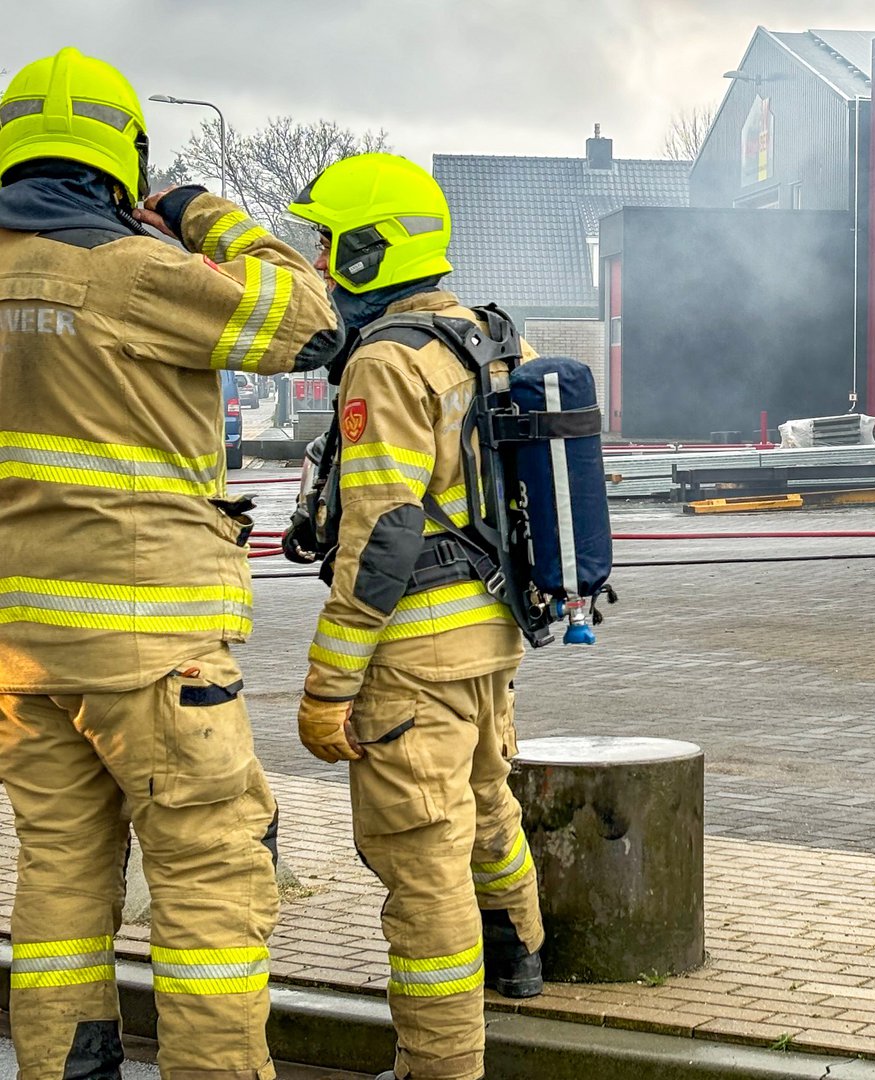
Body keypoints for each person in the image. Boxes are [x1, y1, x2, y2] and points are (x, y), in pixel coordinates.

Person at [0, 48, 343, 1080]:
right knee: (211, 890)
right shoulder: (141, 274)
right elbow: (310, 319)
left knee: (58, 876)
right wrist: (201, 211)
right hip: (151, 648)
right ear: (120, 161)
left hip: (19, 653)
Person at [285, 152, 544, 1080]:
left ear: (367, 249)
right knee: (483, 802)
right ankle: (521, 955)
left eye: (327, 243)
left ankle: (440, 1064)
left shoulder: (385, 364)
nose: (318, 264)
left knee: (420, 861)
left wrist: (327, 687)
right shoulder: (480, 340)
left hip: (410, 654)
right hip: (490, 629)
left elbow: (384, 535)